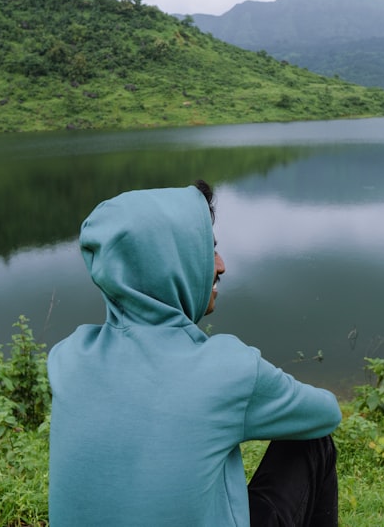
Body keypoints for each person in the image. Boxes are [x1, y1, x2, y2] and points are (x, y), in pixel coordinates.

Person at [48, 181, 342, 526]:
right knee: (313, 442)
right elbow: (326, 412)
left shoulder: (67, 358)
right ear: (170, 263)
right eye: (207, 251)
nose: (221, 266)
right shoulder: (228, 368)